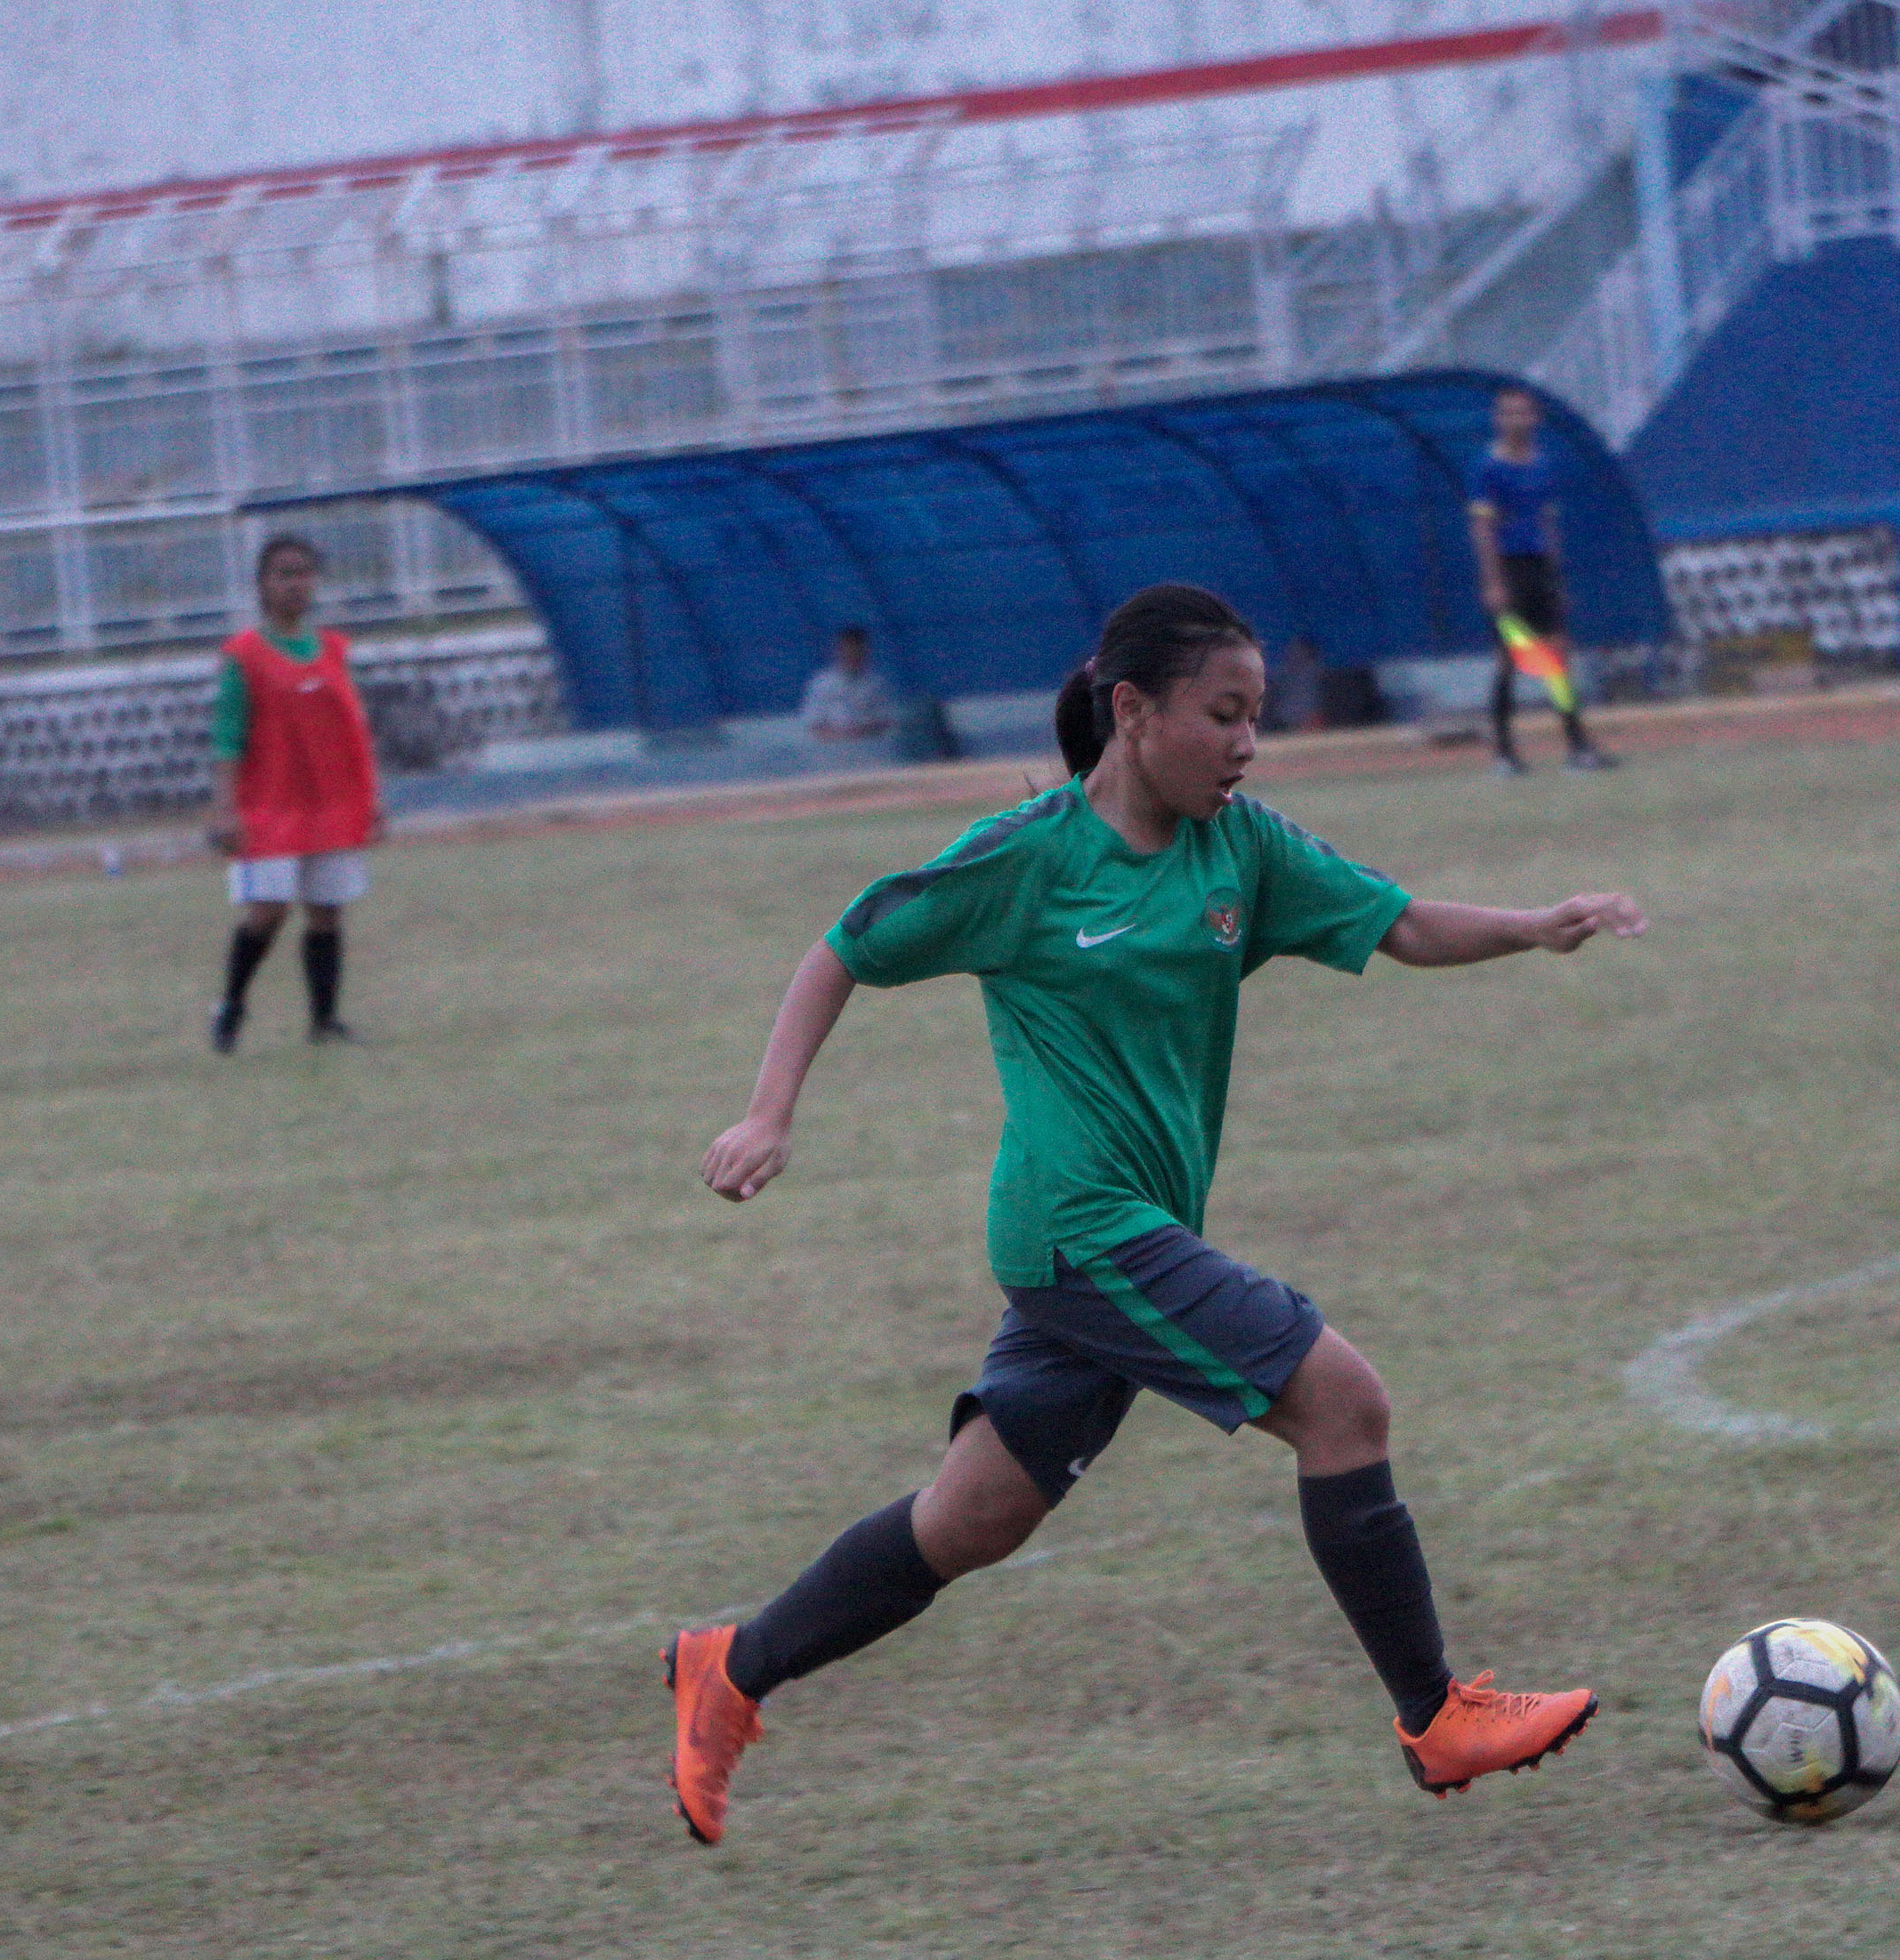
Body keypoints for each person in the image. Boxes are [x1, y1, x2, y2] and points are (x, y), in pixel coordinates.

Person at [669, 583, 1647, 1845]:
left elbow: (1396, 922)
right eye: (1222, 715)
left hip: (1121, 1239)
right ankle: (1435, 1715)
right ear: (1133, 713)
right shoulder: (1027, 857)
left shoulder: (1240, 847)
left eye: (1257, 717)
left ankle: (729, 1667)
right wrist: (770, 1112)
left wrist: (1538, 925)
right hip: (1081, 1228)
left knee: (972, 1518)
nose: (1247, 742)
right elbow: (849, 942)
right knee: (1342, 1402)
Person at [206, 535, 382, 1053]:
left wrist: (370, 795)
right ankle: (231, 1005)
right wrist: (225, 808)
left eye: (304, 572)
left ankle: (324, 1021)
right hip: (270, 806)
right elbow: (227, 736)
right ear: (262, 585)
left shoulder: (332, 650)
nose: (295, 583)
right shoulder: (244, 655)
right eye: (283, 573)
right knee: (269, 911)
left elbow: (353, 726)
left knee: (327, 908)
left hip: (328, 801)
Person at [1467, 384, 1615, 775]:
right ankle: (1504, 753)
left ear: (1534, 418)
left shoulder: (1542, 465)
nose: (1516, 420)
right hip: (1509, 569)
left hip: (1540, 571)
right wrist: (1493, 583)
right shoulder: (1489, 468)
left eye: (1523, 412)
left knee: (1556, 660)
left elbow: (1548, 523)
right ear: (1499, 420)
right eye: (1507, 413)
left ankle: (1578, 747)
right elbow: (1483, 528)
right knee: (1510, 661)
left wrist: (1557, 578)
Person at [799, 624, 896, 744]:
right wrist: (841, 737)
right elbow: (813, 725)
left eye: (857, 651)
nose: (853, 655)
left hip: (870, 747)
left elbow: (886, 722)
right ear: (839, 651)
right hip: (830, 749)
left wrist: (861, 733)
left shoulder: (877, 685)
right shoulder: (822, 684)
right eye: (848, 650)